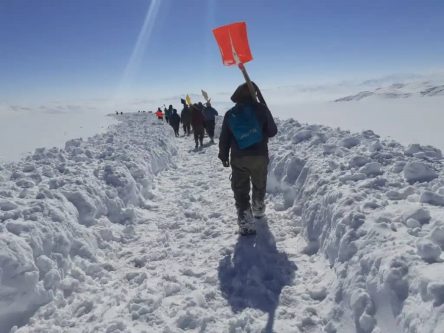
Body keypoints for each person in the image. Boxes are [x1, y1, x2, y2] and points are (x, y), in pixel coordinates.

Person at [218, 82, 277, 235]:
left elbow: (224, 137)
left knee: (240, 190)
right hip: (259, 156)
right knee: (259, 183)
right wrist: (263, 106)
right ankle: (258, 207)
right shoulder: (261, 109)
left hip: (239, 157)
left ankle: (245, 222)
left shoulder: (231, 113)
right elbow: (272, 131)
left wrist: (223, 155)